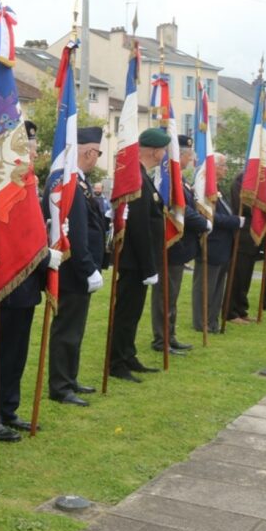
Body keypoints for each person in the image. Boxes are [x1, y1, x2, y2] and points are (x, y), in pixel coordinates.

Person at [0, 121, 54, 439]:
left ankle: (7, 409)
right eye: (29, 147)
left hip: (28, 281)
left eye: (33, 147)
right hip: (6, 275)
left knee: (18, 350)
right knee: (3, 350)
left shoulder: (29, 185)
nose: (33, 152)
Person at [47, 126, 106, 406]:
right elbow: (78, 233)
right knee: (67, 329)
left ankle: (69, 378)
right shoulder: (69, 181)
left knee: (76, 328)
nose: (97, 158)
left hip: (78, 269)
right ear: (89, 152)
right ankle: (60, 386)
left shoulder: (79, 181)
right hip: (72, 270)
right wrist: (88, 267)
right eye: (98, 153)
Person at [109, 128, 170, 383]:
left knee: (133, 312)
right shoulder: (137, 180)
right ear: (155, 151)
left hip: (139, 262)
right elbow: (140, 227)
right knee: (126, 312)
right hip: (135, 262)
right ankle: (116, 362)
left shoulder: (143, 177)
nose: (165, 154)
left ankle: (128, 353)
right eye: (163, 150)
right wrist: (148, 267)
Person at [150, 135, 210, 355]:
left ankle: (170, 335)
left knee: (172, 296)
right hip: (170, 247)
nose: (190, 160)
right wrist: (205, 222)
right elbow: (181, 210)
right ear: (180, 155)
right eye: (188, 156)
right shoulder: (170, 181)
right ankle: (161, 339)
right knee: (164, 296)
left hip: (179, 248)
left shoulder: (181, 180)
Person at [192, 153, 244, 333]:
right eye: (223, 165)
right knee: (205, 287)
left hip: (223, 246)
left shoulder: (217, 188)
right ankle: (201, 322)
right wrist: (236, 221)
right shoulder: (205, 187)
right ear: (214, 167)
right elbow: (208, 216)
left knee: (218, 287)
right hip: (211, 244)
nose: (226, 169)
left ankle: (212, 321)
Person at [226, 171, 260, 324]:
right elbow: (244, 206)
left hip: (252, 235)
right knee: (238, 276)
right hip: (242, 235)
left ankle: (241, 309)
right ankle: (231, 312)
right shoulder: (241, 181)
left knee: (246, 276)